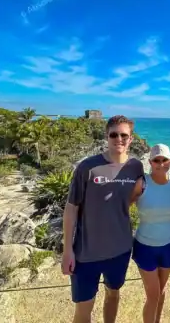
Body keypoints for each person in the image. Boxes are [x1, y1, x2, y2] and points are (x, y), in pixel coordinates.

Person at [62, 115, 145, 323]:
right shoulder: (87, 167)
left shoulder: (136, 167)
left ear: (131, 139)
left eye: (124, 135)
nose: (119, 139)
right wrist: (67, 250)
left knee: (113, 294)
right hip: (86, 253)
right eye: (114, 134)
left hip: (120, 250)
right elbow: (71, 208)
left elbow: (131, 198)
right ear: (106, 137)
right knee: (83, 309)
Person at [129, 144, 170, 323]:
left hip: (169, 245)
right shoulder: (142, 183)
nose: (161, 164)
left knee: (161, 291)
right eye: (156, 160)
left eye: (164, 160)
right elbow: (122, 209)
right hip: (145, 246)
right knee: (152, 295)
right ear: (150, 162)